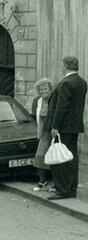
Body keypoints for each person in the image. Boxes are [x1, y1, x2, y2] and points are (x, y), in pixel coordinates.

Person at [44, 56, 87, 200]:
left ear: (66, 66)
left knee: (60, 158)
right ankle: (71, 188)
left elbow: (61, 107)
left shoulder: (66, 83)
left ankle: (62, 189)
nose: (61, 68)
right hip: (74, 126)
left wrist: (55, 126)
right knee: (71, 158)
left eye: (62, 65)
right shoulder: (81, 82)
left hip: (63, 127)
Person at [30, 77, 54, 192]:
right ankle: (42, 181)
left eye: (45, 89)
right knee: (39, 156)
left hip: (53, 132)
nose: (43, 92)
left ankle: (55, 183)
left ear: (50, 89)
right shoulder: (38, 101)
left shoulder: (54, 99)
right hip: (43, 133)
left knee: (54, 158)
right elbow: (35, 114)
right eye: (41, 90)